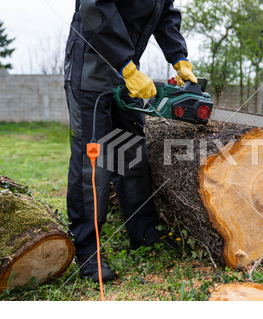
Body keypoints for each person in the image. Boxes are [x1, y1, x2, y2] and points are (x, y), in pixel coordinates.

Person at [63, 0, 197, 282]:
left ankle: (144, 232)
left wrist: (178, 56)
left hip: (126, 75)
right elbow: (94, 7)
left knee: (131, 154)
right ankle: (88, 250)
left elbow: (165, 14)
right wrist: (125, 65)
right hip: (91, 70)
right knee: (93, 162)